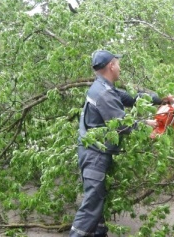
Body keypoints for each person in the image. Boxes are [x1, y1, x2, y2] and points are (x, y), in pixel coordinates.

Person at [69, 50, 160, 237]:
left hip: (93, 154)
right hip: (94, 156)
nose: (120, 68)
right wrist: (146, 126)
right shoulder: (103, 94)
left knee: (97, 210)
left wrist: (161, 99)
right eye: (118, 63)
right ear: (111, 65)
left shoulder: (104, 87)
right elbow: (121, 125)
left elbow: (133, 98)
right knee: (91, 208)